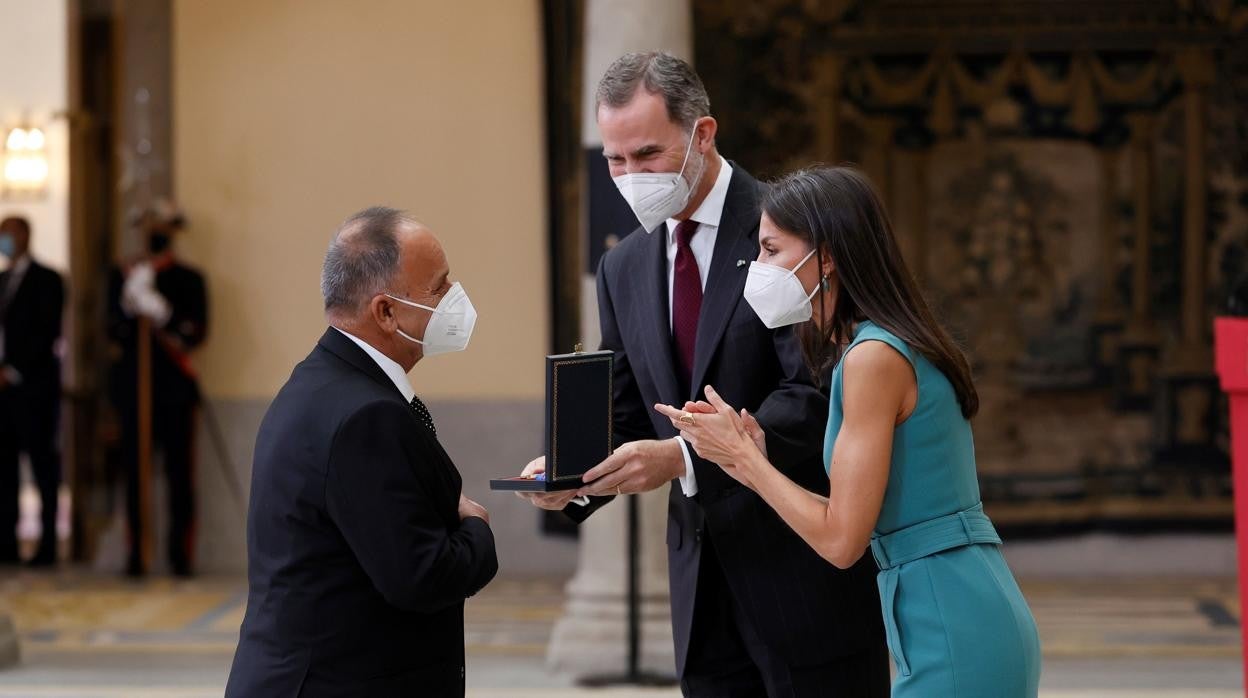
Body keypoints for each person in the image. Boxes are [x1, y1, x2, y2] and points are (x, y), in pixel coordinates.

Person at [517, 53, 887, 697]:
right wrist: (574, 476)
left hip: (803, 573)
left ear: (703, 135)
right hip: (697, 579)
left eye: (649, 154)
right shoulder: (623, 266)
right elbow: (632, 413)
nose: (631, 176)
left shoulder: (788, 227)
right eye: (615, 159)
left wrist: (684, 457)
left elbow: (816, 392)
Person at [660, 166, 1042, 697]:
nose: (758, 267)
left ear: (828, 257)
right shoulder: (875, 347)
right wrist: (755, 447)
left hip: (950, 618)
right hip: (949, 605)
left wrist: (746, 464)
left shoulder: (872, 359)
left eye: (771, 250)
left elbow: (841, 540)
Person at [225, 207, 497, 698]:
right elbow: (421, 577)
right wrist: (476, 527)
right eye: (440, 287)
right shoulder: (365, 415)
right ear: (386, 312)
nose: (454, 299)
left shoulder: (321, 381)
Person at [107, 199, 208, 577]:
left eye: (162, 226)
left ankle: (180, 556)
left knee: (181, 477)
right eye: (149, 226)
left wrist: (161, 310)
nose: (155, 233)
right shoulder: (122, 277)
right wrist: (130, 307)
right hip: (134, 390)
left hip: (175, 392)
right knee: (135, 475)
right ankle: (138, 554)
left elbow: (195, 334)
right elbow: (111, 330)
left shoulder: (189, 279)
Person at [0, 216, 64, 566]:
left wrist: (12, 370)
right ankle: (6, 543)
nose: (4, 241)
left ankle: (48, 545)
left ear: (24, 234)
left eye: (7, 234)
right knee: (4, 472)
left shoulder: (48, 280)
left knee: (43, 469)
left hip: (34, 391)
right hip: (3, 397)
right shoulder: (1, 281)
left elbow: (47, 331)